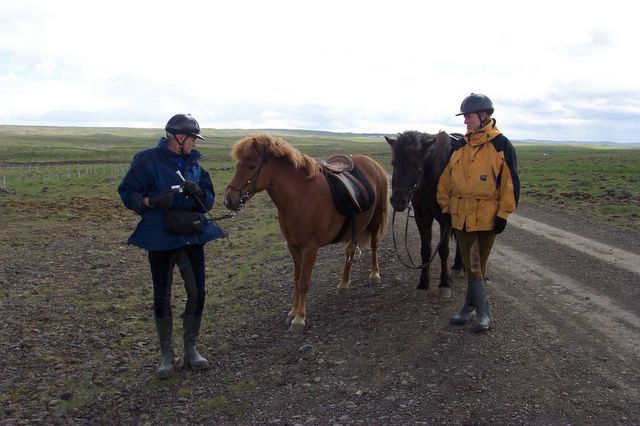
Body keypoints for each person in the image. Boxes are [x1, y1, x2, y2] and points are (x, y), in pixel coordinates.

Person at [118, 113, 225, 378]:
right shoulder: (147, 160)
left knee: (198, 292)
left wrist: (200, 193)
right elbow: (127, 192)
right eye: (192, 139)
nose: (195, 144)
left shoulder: (195, 165)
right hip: (160, 236)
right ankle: (167, 354)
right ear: (178, 138)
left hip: (191, 234)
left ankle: (191, 349)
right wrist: (150, 202)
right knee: (162, 295)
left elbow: (208, 200)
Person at [437, 93, 520, 333]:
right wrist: (445, 207)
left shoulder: (501, 145)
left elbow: (510, 184)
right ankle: (483, 313)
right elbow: (445, 181)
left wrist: (503, 214)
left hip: (487, 218)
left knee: (477, 265)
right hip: (461, 217)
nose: (465, 121)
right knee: (473, 265)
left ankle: (469, 309)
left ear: (484, 116)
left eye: (469, 116)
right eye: (464, 117)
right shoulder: (460, 146)